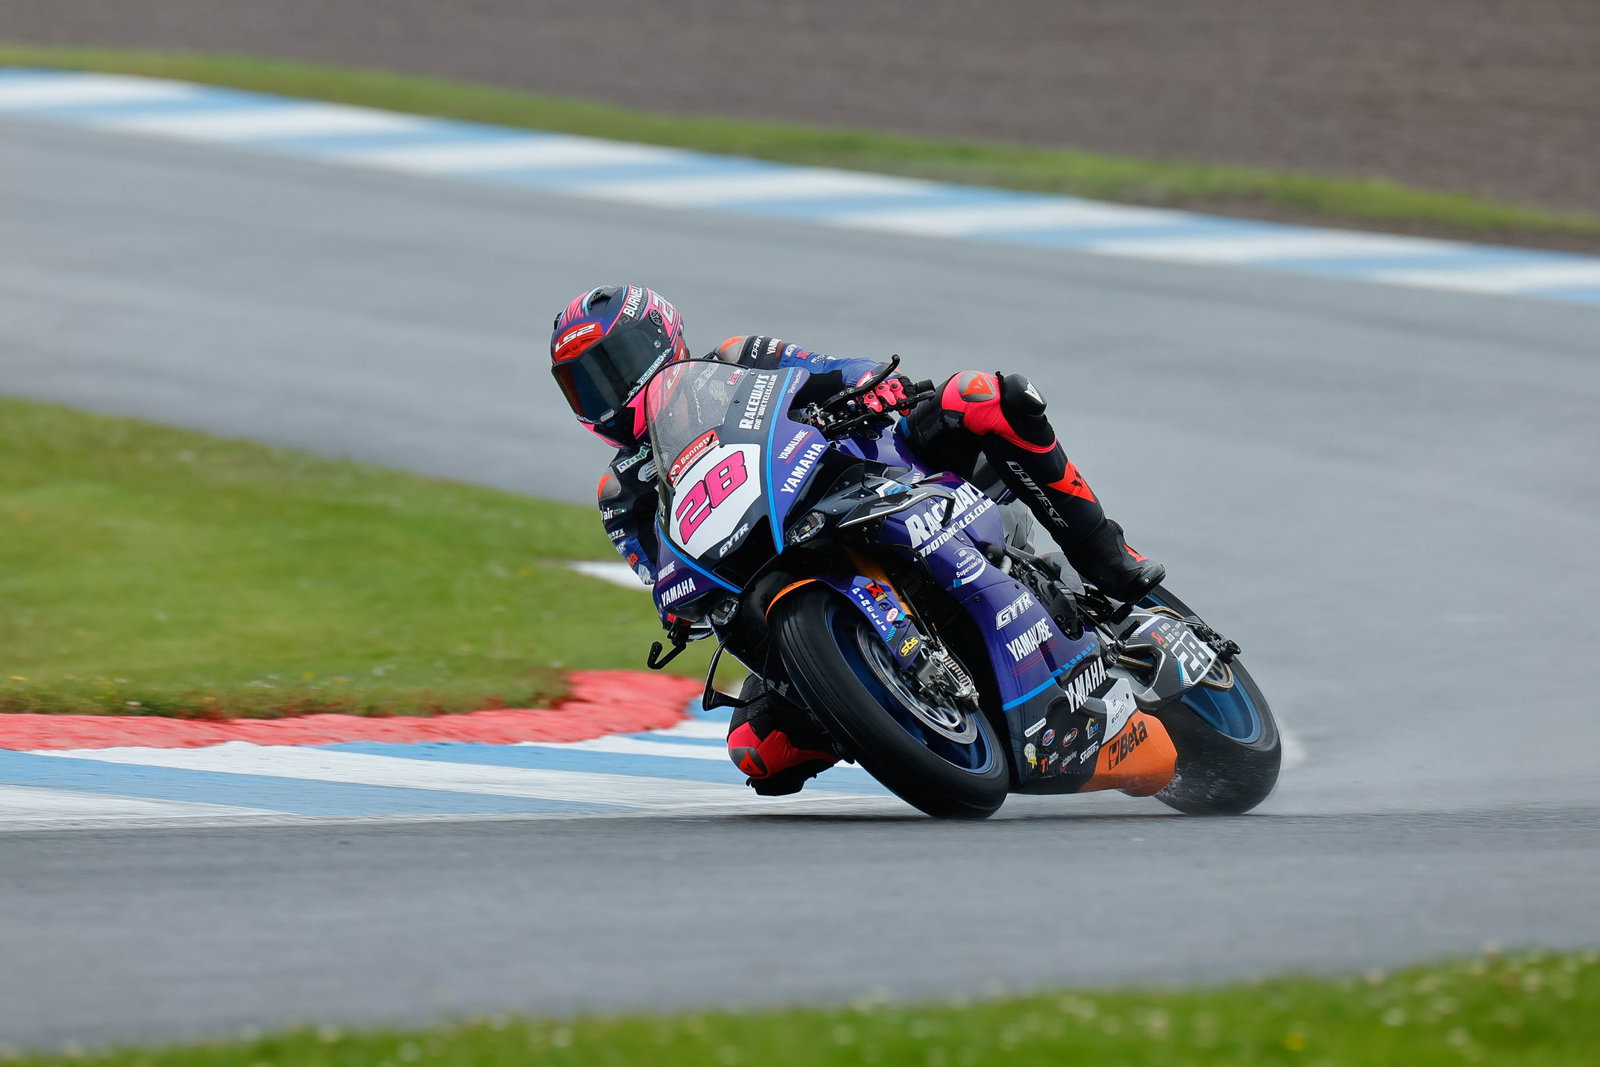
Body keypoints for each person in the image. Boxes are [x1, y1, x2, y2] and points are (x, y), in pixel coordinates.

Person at [551, 284, 1165, 796]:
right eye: (587, 385)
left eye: (616, 363)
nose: (610, 391)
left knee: (981, 396)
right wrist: (679, 607)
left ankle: (1107, 557)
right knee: (760, 751)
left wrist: (871, 384)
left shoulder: (737, 359)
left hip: (874, 472)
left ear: (663, 338)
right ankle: (890, 706)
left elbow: (832, 370)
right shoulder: (620, 493)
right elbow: (656, 569)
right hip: (772, 570)